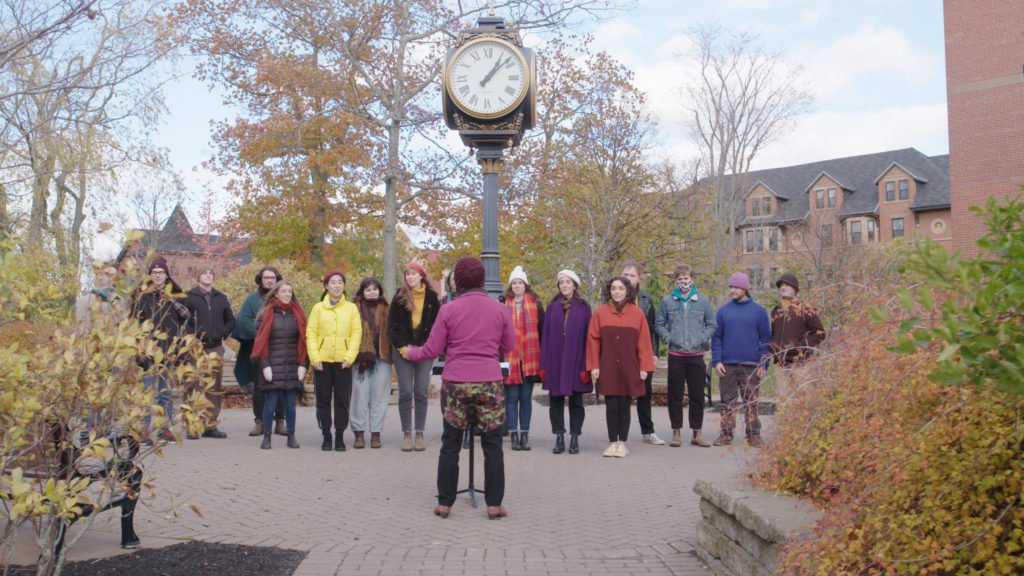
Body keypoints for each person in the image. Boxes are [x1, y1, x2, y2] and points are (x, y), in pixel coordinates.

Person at [402, 257, 515, 520]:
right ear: (482, 279)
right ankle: (494, 504)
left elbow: (432, 349)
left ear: (459, 281)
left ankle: (445, 503)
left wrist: (411, 351)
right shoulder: (499, 309)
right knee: (493, 443)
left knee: (451, 442)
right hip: (489, 381)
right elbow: (509, 345)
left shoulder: (449, 310)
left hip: (456, 383)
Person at [587, 277, 656, 458]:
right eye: (613, 288)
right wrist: (594, 366)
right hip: (608, 366)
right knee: (611, 405)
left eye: (620, 288)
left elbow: (644, 343)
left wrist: (644, 367)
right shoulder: (600, 313)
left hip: (629, 367)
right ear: (609, 291)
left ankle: (622, 443)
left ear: (627, 291)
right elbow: (593, 341)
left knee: (624, 405)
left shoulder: (637, 314)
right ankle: (612, 443)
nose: (617, 292)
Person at [654, 264, 717, 448]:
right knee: (675, 395)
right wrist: (668, 338)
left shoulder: (703, 302)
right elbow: (659, 324)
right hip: (676, 355)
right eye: (680, 279)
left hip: (696, 355)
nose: (684, 282)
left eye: (686, 279)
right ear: (675, 282)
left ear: (692, 280)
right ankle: (676, 432)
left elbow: (712, 325)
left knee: (697, 396)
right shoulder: (667, 302)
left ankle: (697, 433)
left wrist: (702, 338)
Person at [131, 256, 190, 442]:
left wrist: (170, 299)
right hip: (148, 352)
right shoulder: (141, 296)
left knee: (166, 394)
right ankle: (143, 430)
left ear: (166, 275)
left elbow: (186, 317)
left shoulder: (175, 294)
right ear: (149, 275)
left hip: (169, 352)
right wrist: (139, 350)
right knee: (147, 393)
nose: (157, 275)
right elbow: (133, 323)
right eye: (154, 272)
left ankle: (165, 428)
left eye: (161, 272)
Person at [711, 272, 771, 448]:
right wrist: (717, 361)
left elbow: (765, 340)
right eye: (731, 287)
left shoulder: (759, 311)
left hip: (751, 366)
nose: (733, 290)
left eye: (736, 287)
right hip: (727, 365)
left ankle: (753, 435)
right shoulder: (723, 311)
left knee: (751, 402)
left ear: (745, 288)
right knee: (727, 401)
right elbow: (717, 339)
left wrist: (764, 363)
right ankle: (726, 433)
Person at [306, 271, 362, 452]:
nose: (337, 286)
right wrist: (315, 358)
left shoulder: (351, 308)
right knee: (322, 400)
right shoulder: (318, 308)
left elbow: (356, 334)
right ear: (326, 286)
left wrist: (349, 357)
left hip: (343, 362)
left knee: (342, 400)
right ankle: (326, 435)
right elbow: (311, 334)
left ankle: (339, 436)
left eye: (340, 282)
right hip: (322, 361)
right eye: (333, 282)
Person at [387, 262, 440, 452]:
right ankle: (406, 433)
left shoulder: (433, 298)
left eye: (414, 274)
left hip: (425, 350)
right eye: (408, 274)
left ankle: (420, 433)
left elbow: (437, 326)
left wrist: (427, 347)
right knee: (406, 392)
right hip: (403, 351)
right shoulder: (400, 297)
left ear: (421, 276)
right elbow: (392, 326)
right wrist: (402, 347)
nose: (410, 277)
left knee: (420, 392)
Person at [539, 269, 592, 455]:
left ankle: (575, 437)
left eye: (568, 282)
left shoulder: (584, 308)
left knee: (577, 401)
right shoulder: (552, 307)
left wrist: (587, 365)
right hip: (555, 360)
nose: (564, 285)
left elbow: (588, 338)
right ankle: (559, 436)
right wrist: (543, 363)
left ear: (575, 285)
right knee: (555, 401)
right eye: (561, 282)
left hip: (576, 360)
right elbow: (545, 337)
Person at [251, 281, 307, 450]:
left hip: (291, 364)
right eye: (283, 291)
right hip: (272, 364)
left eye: (290, 291)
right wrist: (265, 365)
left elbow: (305, 341)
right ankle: (267, 436)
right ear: (275, 294)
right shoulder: (266, 314)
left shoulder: (298, 314)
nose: (287, 294)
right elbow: (261, 342)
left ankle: (291, 435)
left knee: (290, 403)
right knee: (271, 401)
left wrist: (302, 364)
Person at [231, 266, 286, 437]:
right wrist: (262, 334)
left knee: (281, 387)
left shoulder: (283, 297)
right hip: (259, 350)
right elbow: (243, 321)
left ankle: (280, 421)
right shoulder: (252, 300)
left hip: (280, 350)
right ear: (260, 280)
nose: (270, 280)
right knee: (259, 387)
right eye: (266, 278)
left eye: (273, 277)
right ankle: (260, 421)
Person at [183, 265, 235, 439]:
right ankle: (191, 424)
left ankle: (210, 425)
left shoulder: (221, 298)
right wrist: (194, 335)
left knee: (213, 386)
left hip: (215, 347)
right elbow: (183, 320)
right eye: (204, 273)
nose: (208, 276)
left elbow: (230, 320)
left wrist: (222, 333)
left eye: (210, 273)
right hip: (196, 348)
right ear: (198, 277)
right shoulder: (189, 297)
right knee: (193, 385)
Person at [499, 266, 544, 451]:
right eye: (514, 283)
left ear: (525, 285)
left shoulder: (536, 304)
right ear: (511, 286)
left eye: (520, 283)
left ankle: (525, 434)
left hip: (529, 358)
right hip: (510, 358)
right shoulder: (502, 305)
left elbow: (542, 332)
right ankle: (513, 435)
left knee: (525, 398)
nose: (517, 286)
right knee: (511, 399)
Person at [620, 260, 663, 445]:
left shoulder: (646, 300)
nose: (628, 279)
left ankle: (648, 431)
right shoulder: (612, 298)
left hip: (642, 352)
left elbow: (652, 328)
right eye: (626, 275)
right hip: (620, 353)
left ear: (639, 279)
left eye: (632, 275)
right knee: (621, 394)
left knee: (645, 393)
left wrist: (653, 352)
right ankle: (619, 434)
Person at [350, 277, 393, 449]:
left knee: (380, 398)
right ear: (362, 292)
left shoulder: (387, 309)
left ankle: (376, 433)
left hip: (382, 357)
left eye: (375, 289)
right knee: (358, 397)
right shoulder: (354, 309)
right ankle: (358, 433)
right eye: (368, 289)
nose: (372, 292)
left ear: (380, 291)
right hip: (359, 359)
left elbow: (393, 331)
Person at [75, 261, 126, 335]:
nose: (114, 280)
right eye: (110, 276)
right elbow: (82, 335)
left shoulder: (120, 301)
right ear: (99, 276)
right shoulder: (85, 301)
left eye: (116, 277)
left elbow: (123, 330)